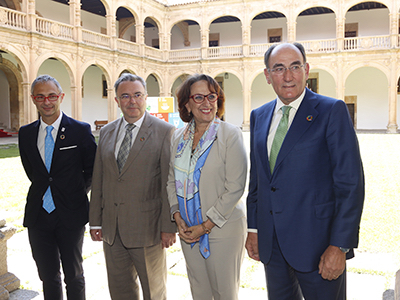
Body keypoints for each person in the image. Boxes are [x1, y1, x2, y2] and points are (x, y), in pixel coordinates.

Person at [245, 42, 365, 300]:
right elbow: (258, 182)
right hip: (272, 247)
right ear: (267, 75)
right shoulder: (259, 116)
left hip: (319, 247)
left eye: (295, 67)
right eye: (279, 68)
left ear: (306, 70)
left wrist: (339, 246)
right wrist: (254, 230)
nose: (288, 76)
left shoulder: (331, 111)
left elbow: (350, 184)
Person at [89, 73, 176, 300]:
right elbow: (99, 179)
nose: (132, 101)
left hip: (148, 230)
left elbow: (169, 183)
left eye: (137, 95)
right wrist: (95, 221)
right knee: (120, 291)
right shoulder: (107, 132)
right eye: (125, 96)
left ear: (146, 96)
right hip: (112, 230)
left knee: (153, 291)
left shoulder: (164, 131)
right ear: (116, 101)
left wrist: (169, 226)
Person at [167, 74, 247, 300]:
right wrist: (177, 216)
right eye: (199, 97)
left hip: (223, 229)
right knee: (199, 292)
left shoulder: (229, 134)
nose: (207, 103)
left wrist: (206, 225)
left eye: (212, 96)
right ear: (187, 104)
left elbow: (235, 187)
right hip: (188, 230)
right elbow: (170, 180)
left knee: (224, 293)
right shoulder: (177, 138)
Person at [18, 74, 97, 300]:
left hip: (70, 213)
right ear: (33, 99)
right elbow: (32, 171)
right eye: (40, 97)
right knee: (48, 275)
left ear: (61, 96)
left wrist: (75, 193)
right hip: (38, 215)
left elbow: (91, 169)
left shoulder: (80, 130)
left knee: (74, 274)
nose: (47, 101)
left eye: (52, 95)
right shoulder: (26, 133)